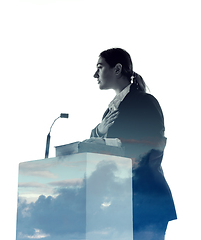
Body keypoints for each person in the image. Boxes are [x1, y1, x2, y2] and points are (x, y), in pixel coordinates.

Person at [85, 48, 177, 240]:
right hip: (122, 203)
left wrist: (114, 146)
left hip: (146, 201)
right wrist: (99, 131)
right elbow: (97, 145)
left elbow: (152, 148)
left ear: (117, 69)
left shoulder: (145, 102)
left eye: (100, 67)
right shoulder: (111, 110)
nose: (95, 74)